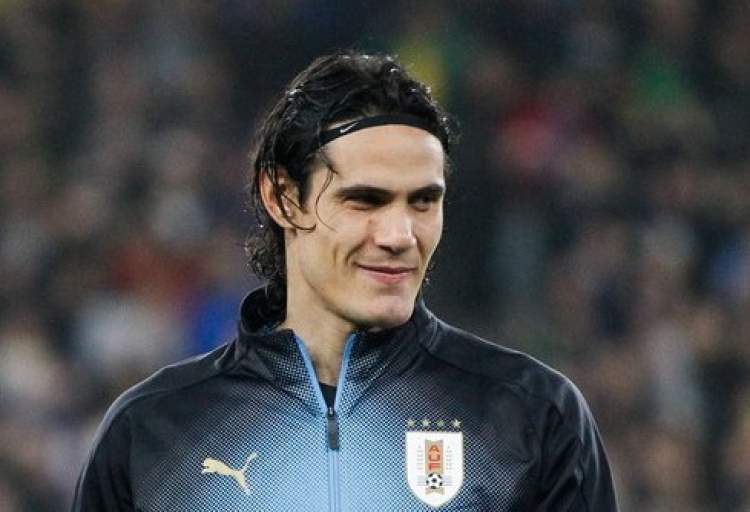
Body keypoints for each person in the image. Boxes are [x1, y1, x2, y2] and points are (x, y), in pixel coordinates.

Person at [72, 50, 618, 511]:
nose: (400, 235)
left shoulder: (534, 417)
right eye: (366, 200)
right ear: (282, 198)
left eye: (423, 201)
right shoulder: (150, 433)